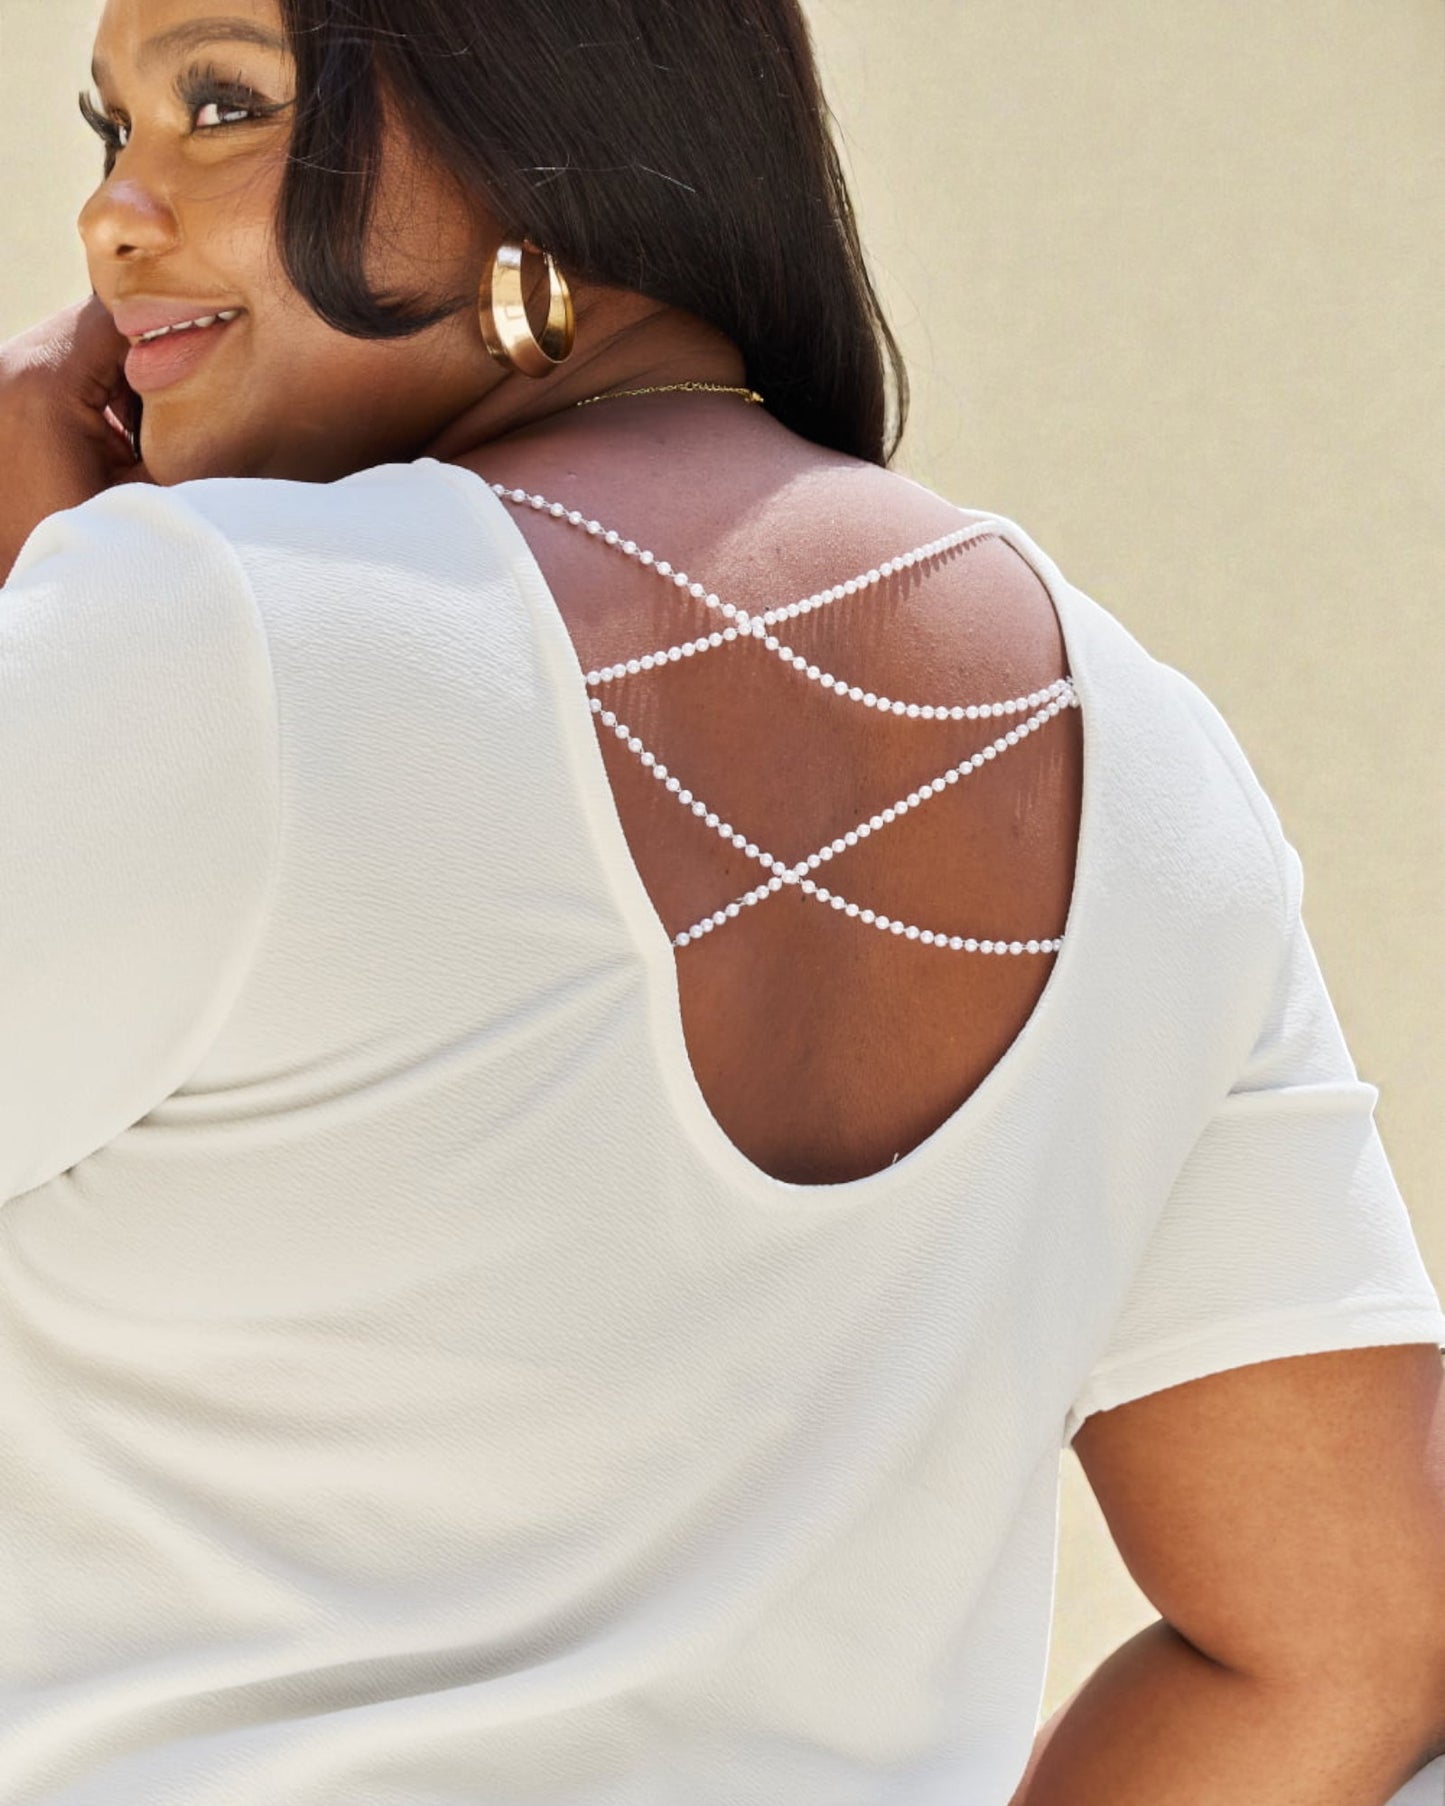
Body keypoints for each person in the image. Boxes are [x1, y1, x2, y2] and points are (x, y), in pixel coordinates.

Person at [1, 1, 1442, 1801]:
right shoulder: (1151, 763)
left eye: (222, 106)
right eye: (110, 129)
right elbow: (1350, 1644)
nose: (112, 216)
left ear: (532, 108)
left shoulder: (201, 637)